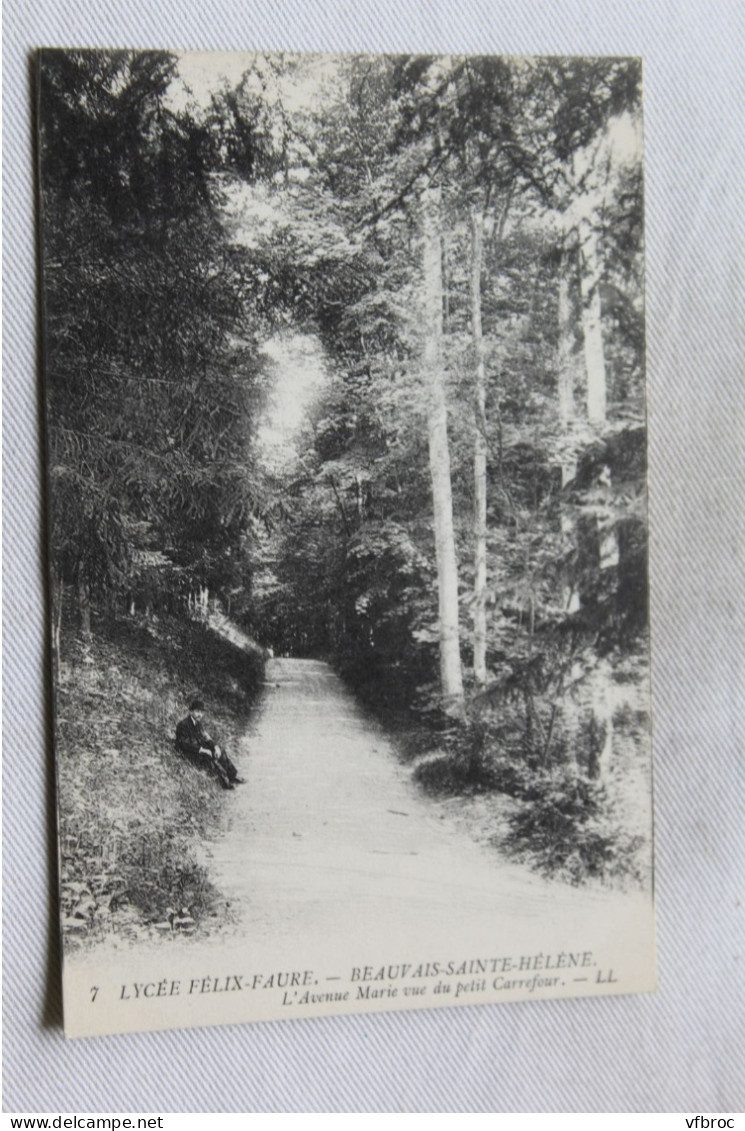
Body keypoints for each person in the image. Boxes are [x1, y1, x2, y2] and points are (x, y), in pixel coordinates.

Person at [175, 698, 245, 790]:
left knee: (221, 752)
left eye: (201, 712)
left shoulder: (198, 724)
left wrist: (215, 747)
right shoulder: (183, 724)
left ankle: (232, 776)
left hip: (198, 749)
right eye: (197, 711)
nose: (199, 714)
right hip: (189, 753)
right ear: (191, 712)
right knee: (210, 758)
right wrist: (202, 750)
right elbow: (184, 744)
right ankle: (225, 782)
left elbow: (206, 737)